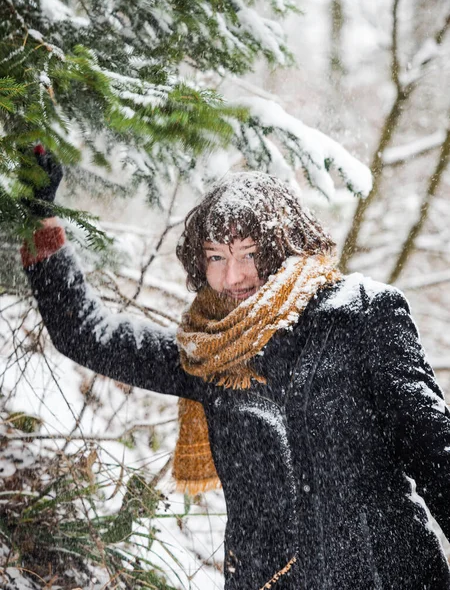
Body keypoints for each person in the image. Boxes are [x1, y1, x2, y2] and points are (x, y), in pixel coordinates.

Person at [21, 149, 450, 590]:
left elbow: (436, 453)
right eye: (216, 257)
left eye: (249, 253)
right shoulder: (209, 355)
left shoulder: (359, 316)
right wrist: (38, 221)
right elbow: (87, 333)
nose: (234, 277)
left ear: (286, 246)